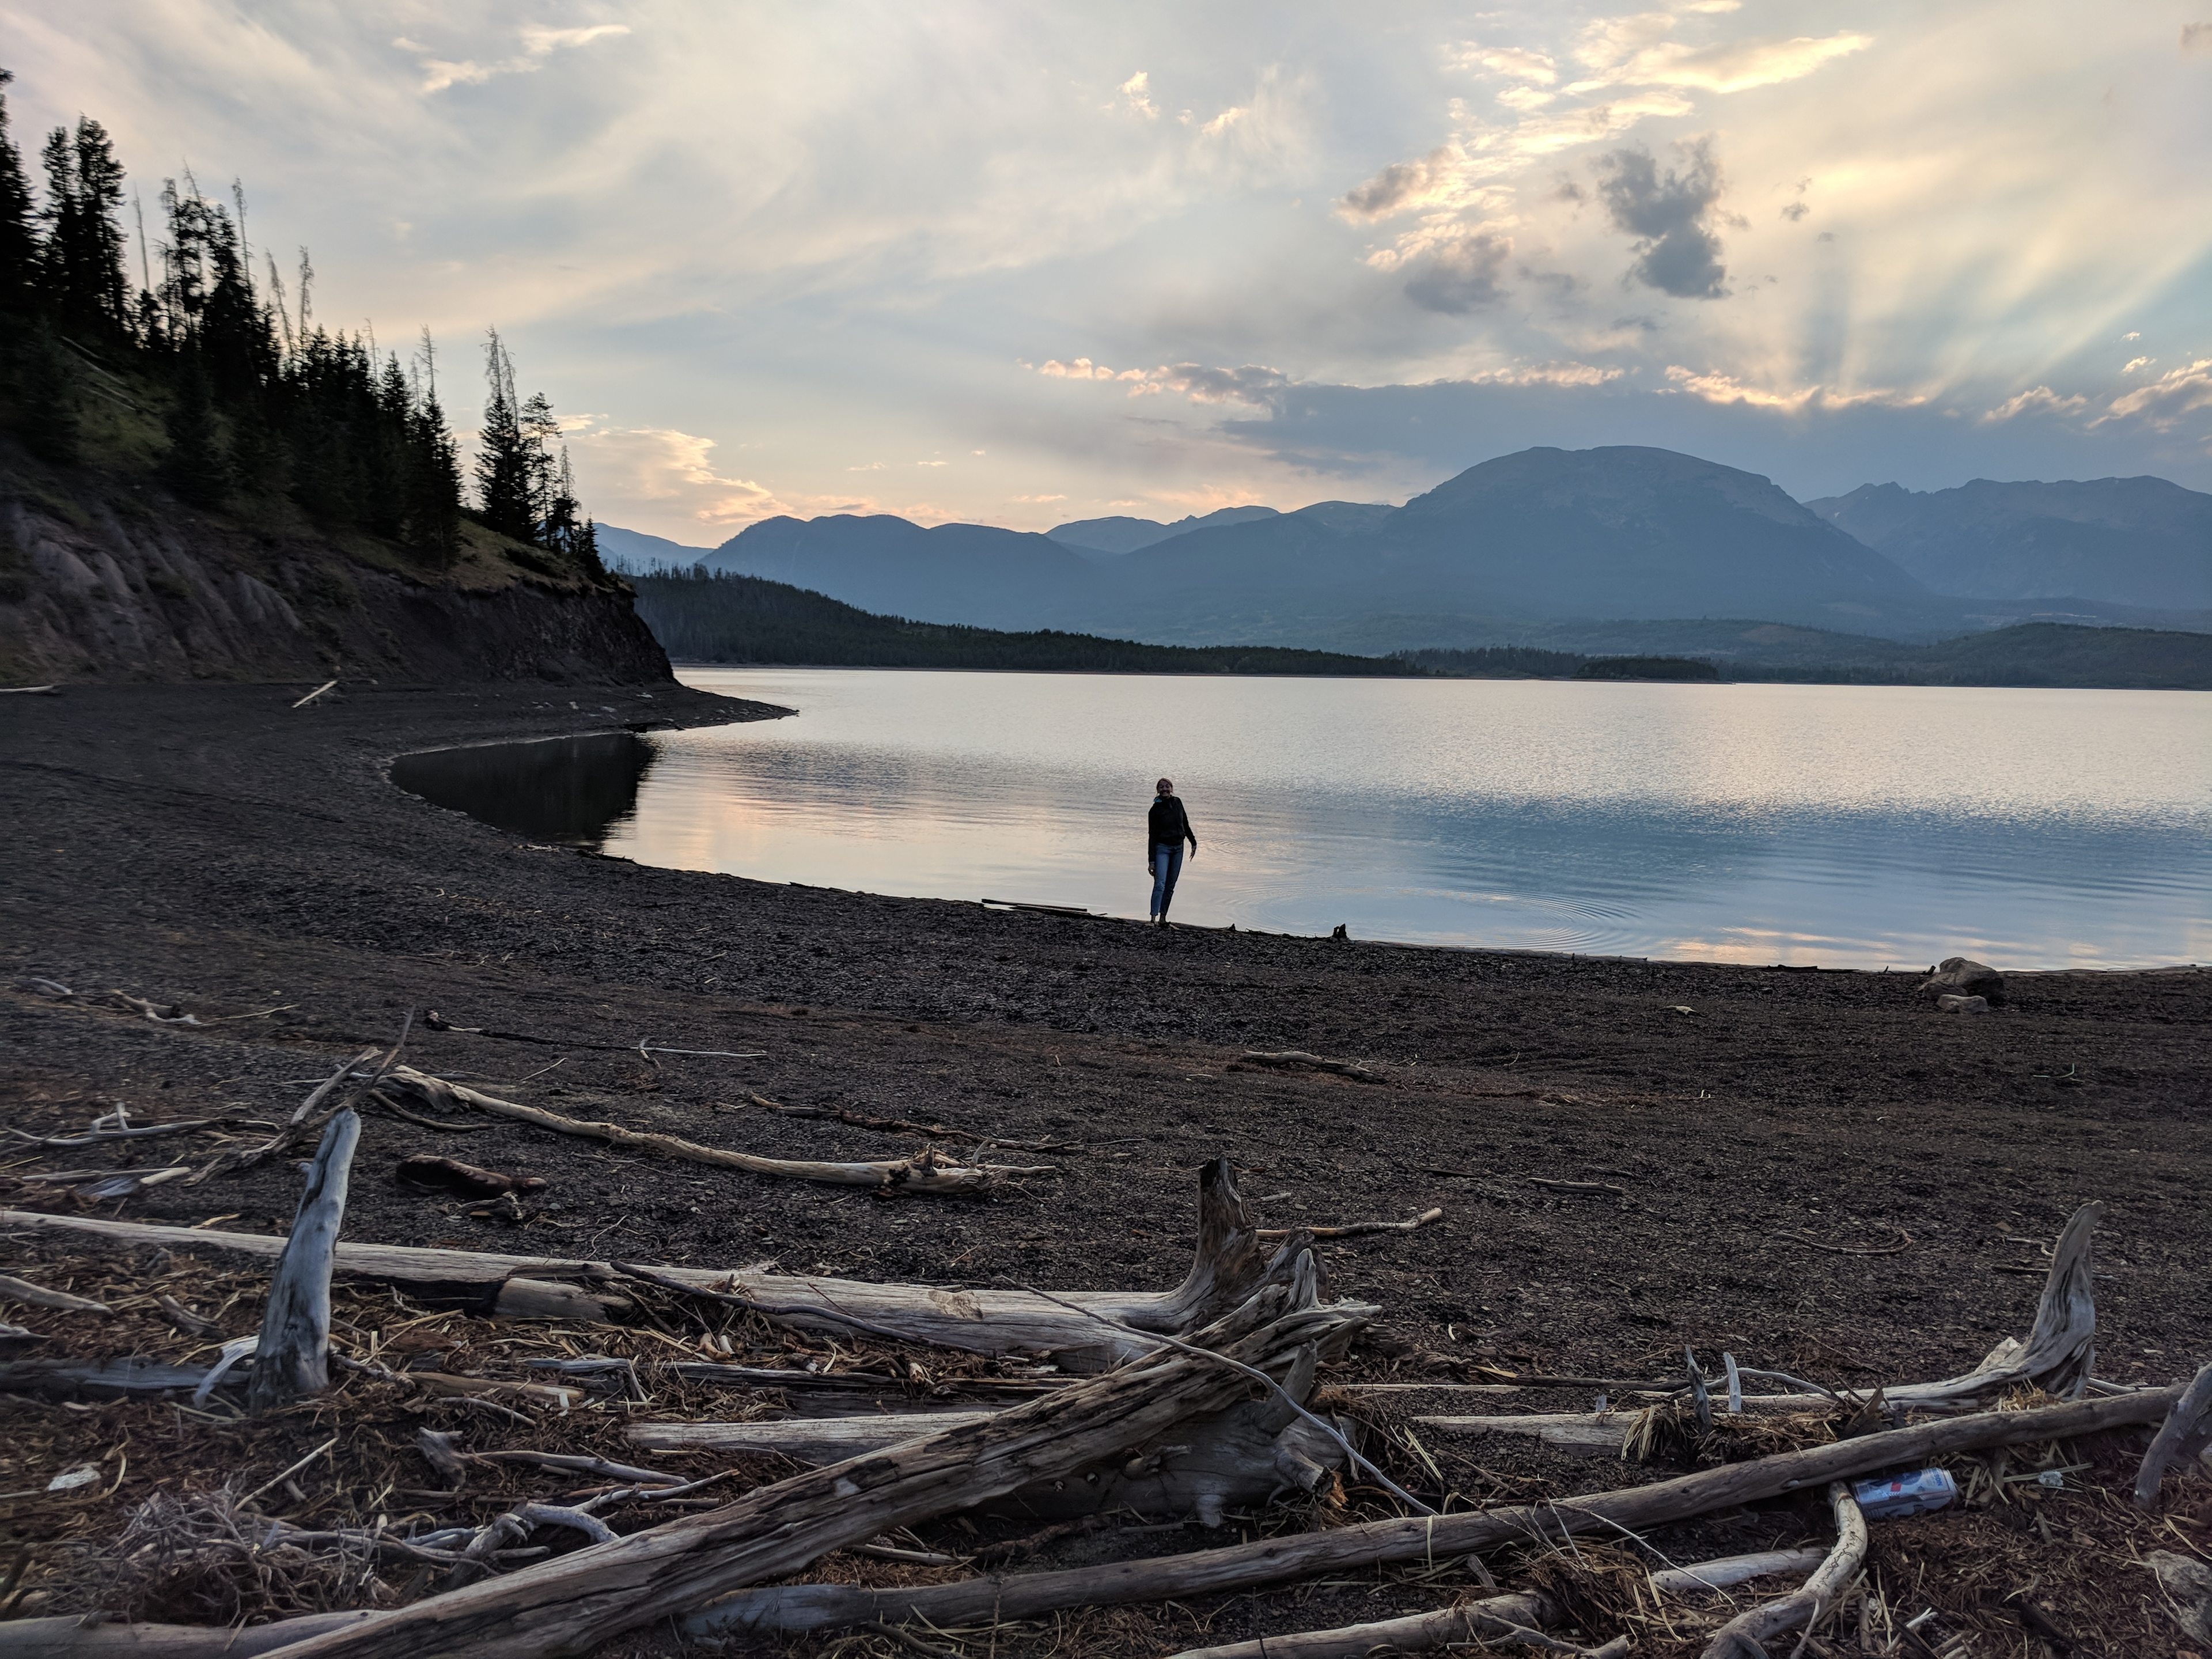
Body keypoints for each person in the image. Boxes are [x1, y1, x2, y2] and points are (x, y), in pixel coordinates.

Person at [1146, 777, 1198, 927]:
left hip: (1178, 849)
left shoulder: (1178, 802)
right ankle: (1153, 919)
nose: (1165, 789)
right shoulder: (1155, 810)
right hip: (1162, 849)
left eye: (1167, 786)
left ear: (1172, 789)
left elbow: (1185, 823)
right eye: (1161, 787)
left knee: (1170, 885)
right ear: (1158, 790)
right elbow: (1152, 836)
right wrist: (1151, 861)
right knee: (1160, 884)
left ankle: (1163, 918)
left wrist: (1193, 842)